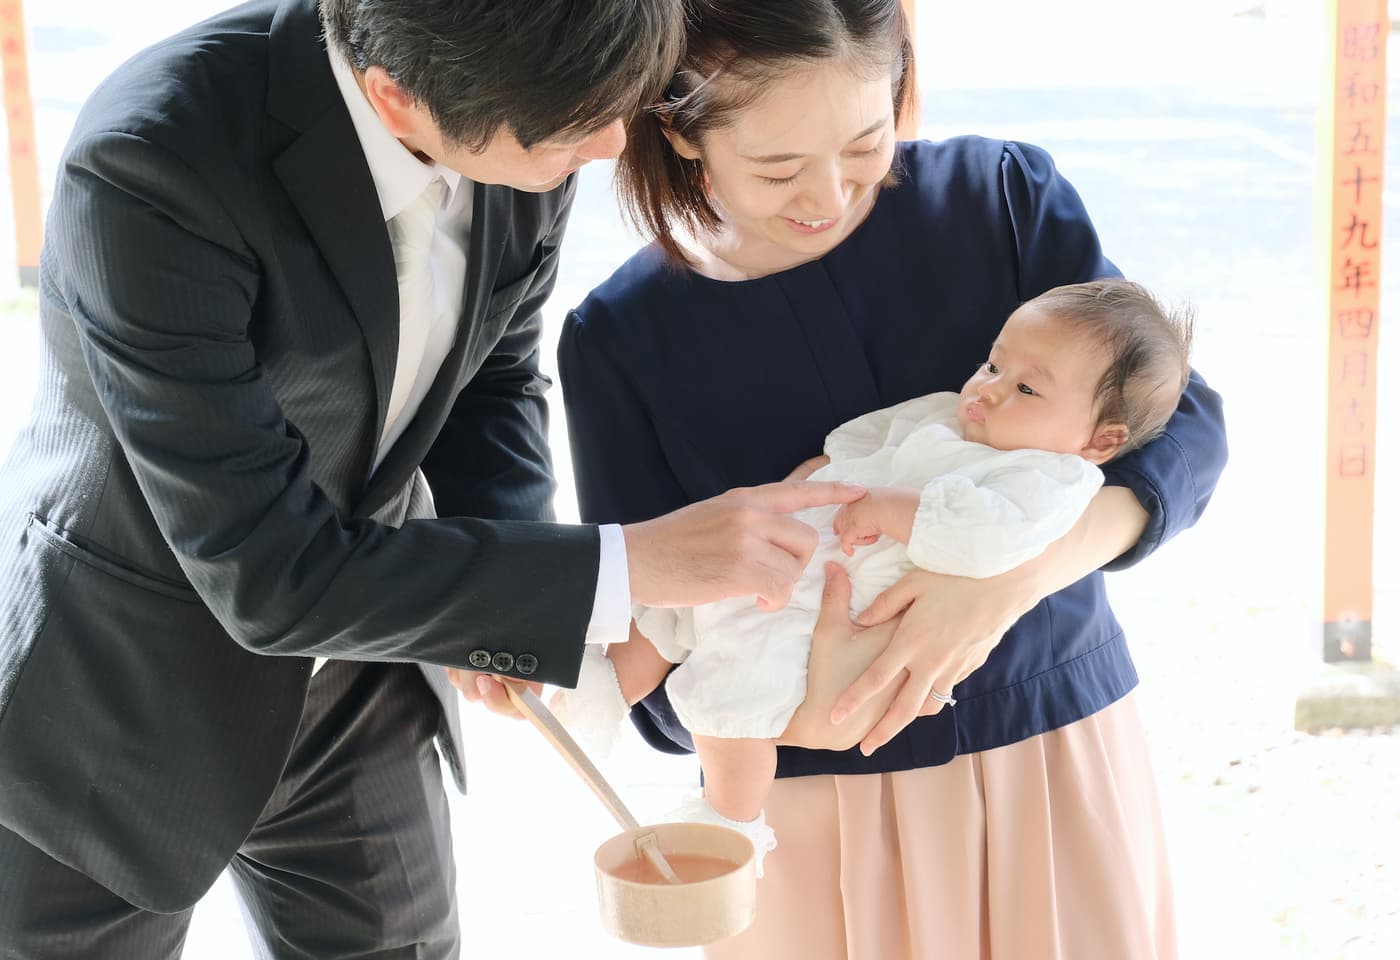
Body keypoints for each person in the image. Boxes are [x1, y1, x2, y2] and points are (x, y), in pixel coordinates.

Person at [0, 1, 869, 956]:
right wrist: (627, 566)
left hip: (365, 675)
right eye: (578, 128)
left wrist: (502, 606)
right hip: (127, 686)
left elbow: (491, 378)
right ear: (395, 98)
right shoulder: (152, 165)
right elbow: (267, 574)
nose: (611, 143)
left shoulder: (545, 95)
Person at [557, 0, 1228, 956]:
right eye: (778, 168)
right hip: (804, 809)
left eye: (867, 142)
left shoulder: (998, 196)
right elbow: (658, 646)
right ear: (678, 129)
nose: (828, 196)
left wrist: (1003, 585)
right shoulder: (620, 337)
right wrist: (804, 711)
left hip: (1045, 744)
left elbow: (1181, 426)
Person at [562, 279, 1193, 869]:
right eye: (994, 364)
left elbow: (985, 541)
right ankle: (595, 692)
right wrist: (825, 466)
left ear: (1100, 441)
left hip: (828, 607)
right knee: (669, 609)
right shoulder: (950, 413)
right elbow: (867, 435)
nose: (989, 390)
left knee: (735, 693)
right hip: (804, 542)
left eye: (1028, 390)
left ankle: (730, 821)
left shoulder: (1050, 478)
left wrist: (891, 508)